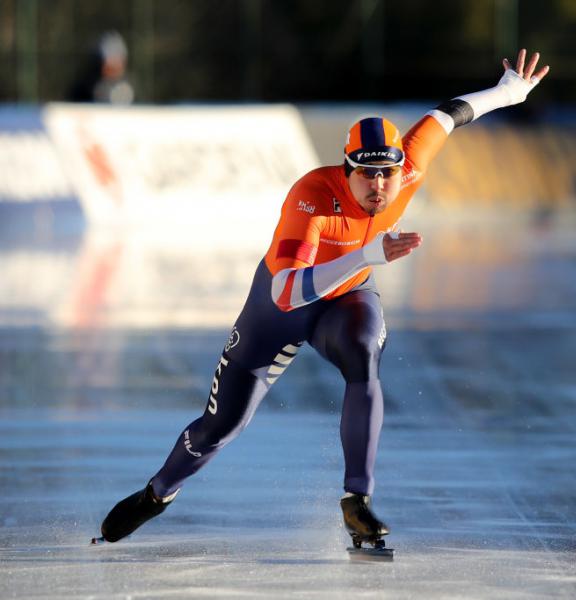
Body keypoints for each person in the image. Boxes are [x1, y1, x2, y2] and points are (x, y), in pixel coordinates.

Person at [96, 49, 550, 551]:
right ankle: (158, 492)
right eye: (366, 174)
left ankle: (357, 501)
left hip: (345, 301)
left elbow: (450, 113)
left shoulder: (411, 168)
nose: (379, 186)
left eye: (388, 174)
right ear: (346, 167)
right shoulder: (312, 197)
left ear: (403, 166)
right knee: (220, 427)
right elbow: (287, 293)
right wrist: (365, 254)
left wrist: (508, 91)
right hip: (277, 312)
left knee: (363, 352)